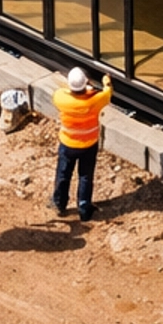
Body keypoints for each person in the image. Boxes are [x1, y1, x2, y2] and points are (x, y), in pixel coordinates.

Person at [51, 65, 113, 222]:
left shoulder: (61, 98)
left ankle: (59, 203)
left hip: (67, 144)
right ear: (86, 84)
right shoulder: (95, 101)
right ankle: (84, 209)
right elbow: (107, 93)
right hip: (88, 145)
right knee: (85, 176)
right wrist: (106, 81)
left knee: (63, 174)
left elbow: (62, 90)